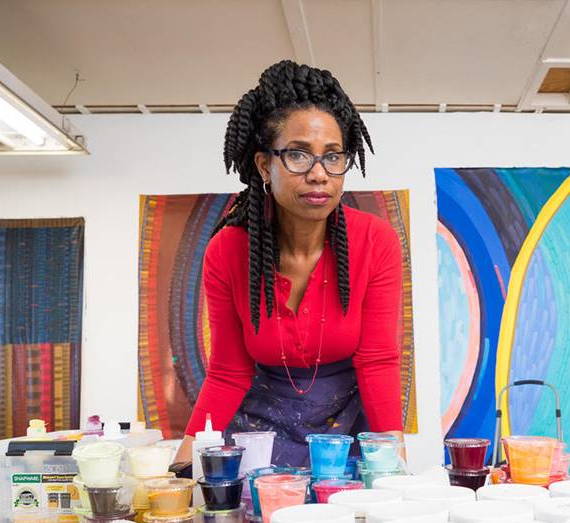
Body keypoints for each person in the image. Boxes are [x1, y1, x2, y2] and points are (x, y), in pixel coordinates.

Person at [173, 60, 404, 469]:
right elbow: (228, 372)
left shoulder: (376, 242)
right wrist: (181, 467)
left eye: (333, 157)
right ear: (265, 165)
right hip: (259, 434)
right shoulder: (227, 251)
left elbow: (377, 363)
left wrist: (394, 466)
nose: (319, 174)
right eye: (298, 155)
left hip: (344, 435)